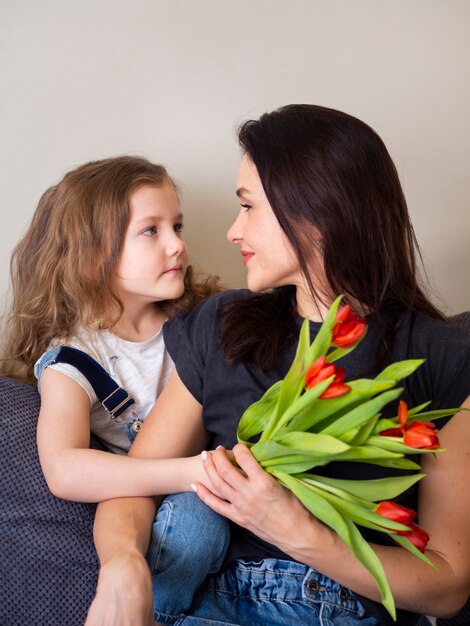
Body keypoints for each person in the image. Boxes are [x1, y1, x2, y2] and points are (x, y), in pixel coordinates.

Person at [84, 106, 470, 626]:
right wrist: (123, 565)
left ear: (315, 210)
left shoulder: (442, 356)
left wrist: (300, 532)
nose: (232, 231)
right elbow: (132, 487)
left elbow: (448, 586)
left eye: (248, 207)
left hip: (332, 609)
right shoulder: (224, 326)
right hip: (202, 602)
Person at [0, 155, 230, 618]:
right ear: (90, 258)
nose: (177, 246)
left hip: (212, 490)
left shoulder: (199, 321)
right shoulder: (73, 360)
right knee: (197, 523)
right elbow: (63, 468)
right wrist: (191, 473)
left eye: (177, 227)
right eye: (152, 230)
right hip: (146, 501)